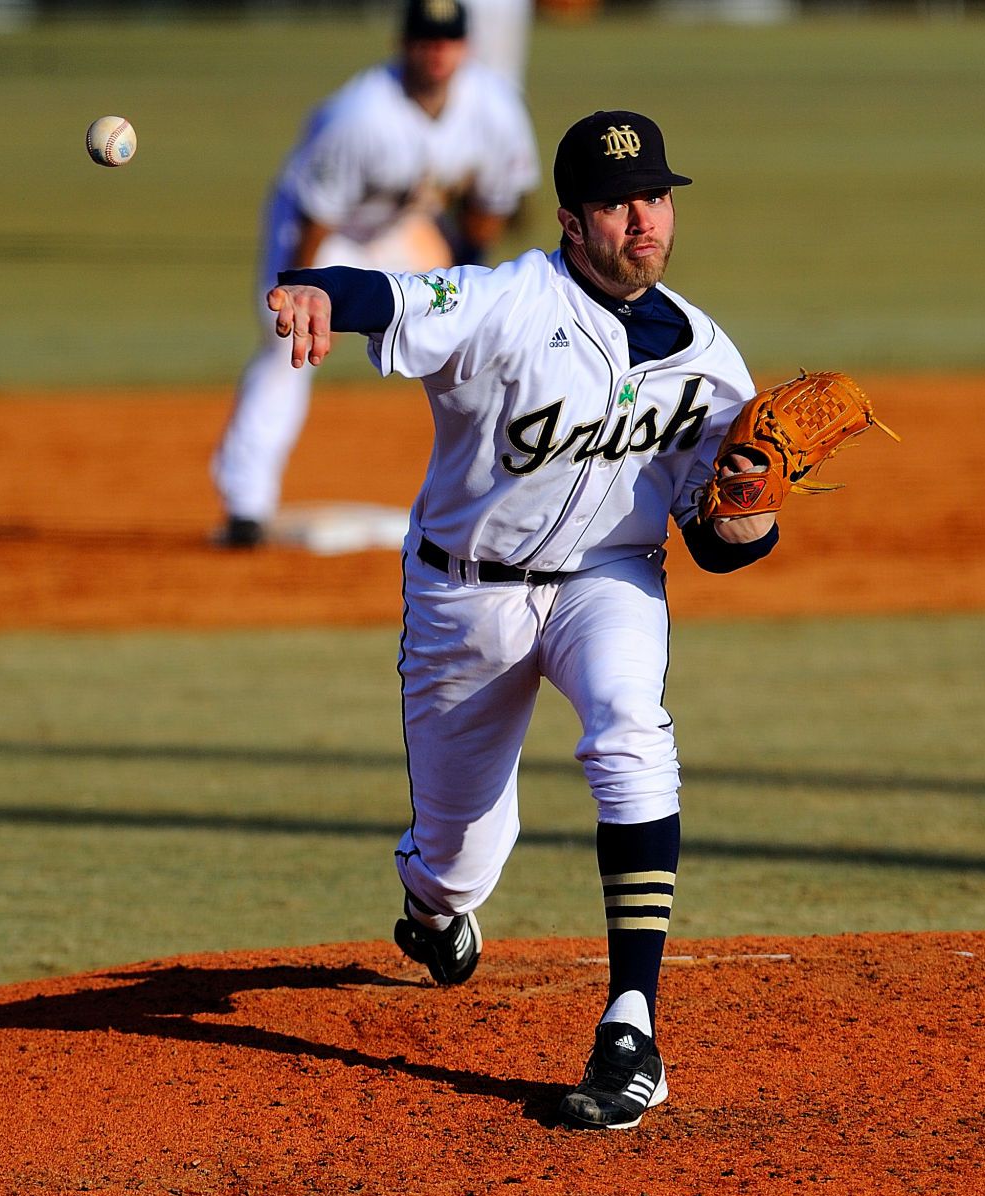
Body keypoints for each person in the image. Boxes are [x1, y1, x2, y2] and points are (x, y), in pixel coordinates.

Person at [264, 110, 778, 1130]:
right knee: (459, 854)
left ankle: (631, 1029)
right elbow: (396, 297)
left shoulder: (711, 363)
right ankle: (434, 908)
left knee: (632, 734)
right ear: (573, 217)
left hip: (609, 580)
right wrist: (326, 289)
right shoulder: (504, 302)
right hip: (468, 596)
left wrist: (750, 515)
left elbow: (720, 543)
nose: (644, 222)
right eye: (619, 204)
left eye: (657, 200)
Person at [210, 0, 539, 549]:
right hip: (326, 228)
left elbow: (493, 204)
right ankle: (246, 503)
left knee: (490, 337)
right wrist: (303, 289)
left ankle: (500, 493)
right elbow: (316, 216)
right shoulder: (361, 115)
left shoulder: (494, 106)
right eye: (425, 40)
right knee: (288, 345)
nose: (437, 52)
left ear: (466, 47)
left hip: (405, 229)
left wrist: (473, 293)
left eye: (448, 40)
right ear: (403, 45)